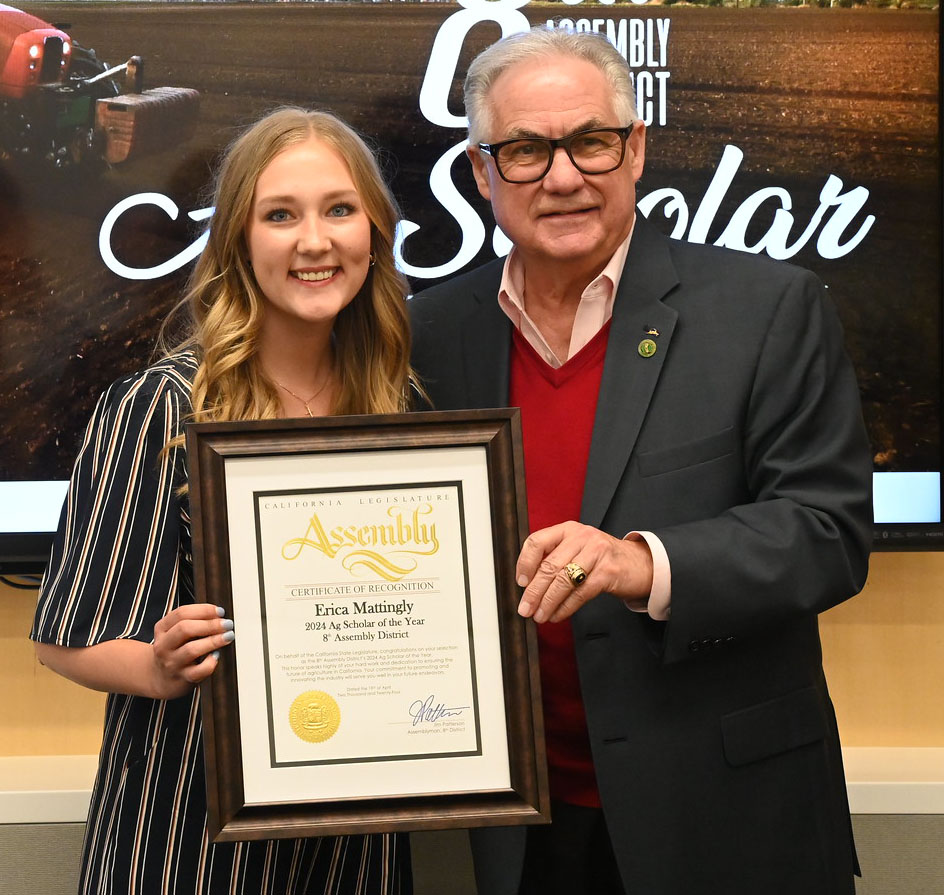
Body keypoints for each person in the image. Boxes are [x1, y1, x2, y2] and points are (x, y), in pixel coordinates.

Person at [408, 28, 872, 895]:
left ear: (636, 149)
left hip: (729, 821)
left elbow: (826, 533)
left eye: (590, 141)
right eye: (524, 150)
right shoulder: (431, 335)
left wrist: (640, 562)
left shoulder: (768, 309)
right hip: (525, 826)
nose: (562, 176)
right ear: (481, 172)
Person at [31, 107, 414, 895]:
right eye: (280, 215)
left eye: (340, 209)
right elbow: (63, 639)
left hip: (355, 837)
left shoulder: (403, 409)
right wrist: (162, 665)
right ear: (239, 241)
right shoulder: (160, 409)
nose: (315, 241)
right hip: (190, 835)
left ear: (374, 232)